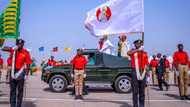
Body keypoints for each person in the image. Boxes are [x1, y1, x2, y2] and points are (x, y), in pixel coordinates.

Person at [1, 39, 32, 107]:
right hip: (13, 72)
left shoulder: (26, 52)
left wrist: (26, 75)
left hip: (21, 73)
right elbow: (3, 48)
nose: (19, 45)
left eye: (21, 44)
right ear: (16, 44)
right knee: (12, 90)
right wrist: (12, 48)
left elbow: (28, 64)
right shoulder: (13, 50)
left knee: (20, 91)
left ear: (23, 44)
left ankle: (18, 105)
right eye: (18, 44)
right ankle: (12, 105)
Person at [127, 39, 149, 107]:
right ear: (135, 44)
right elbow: (128, 53)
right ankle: (135, 105)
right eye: (137, 44)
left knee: (142, 91)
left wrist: (147, 71)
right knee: (135, 91)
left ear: (142, 44)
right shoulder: (133, 51)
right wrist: (137, 50)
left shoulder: (145, 53)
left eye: (140, 44)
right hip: (135, 71)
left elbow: (147, 63)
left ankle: (142, 105)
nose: (138, 45)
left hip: (143, 71)